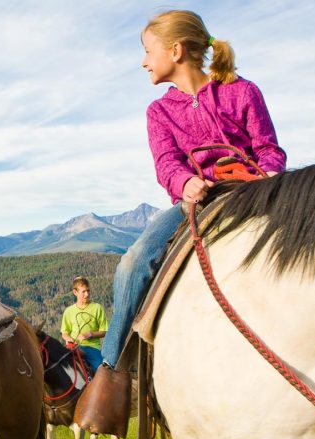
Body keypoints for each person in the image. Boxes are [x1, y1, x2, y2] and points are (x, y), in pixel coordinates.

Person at [99, 10, 286, 374]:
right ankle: (111, 371)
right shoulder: (159, 111)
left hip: (254, 192)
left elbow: (269, 150)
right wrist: (185, 182)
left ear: (175, 50)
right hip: (194, 203)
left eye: (148, 52)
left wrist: (269, 176)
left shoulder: (242, 91)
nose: (143, 62)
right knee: (134, 262)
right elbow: (166, 164)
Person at [60, 276, 108, 375]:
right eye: (83, 292)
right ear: (75, 292)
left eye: (88, 291)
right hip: (73, 347)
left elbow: (104, 332)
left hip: (92, 347)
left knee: (102, 373)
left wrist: (90, 334)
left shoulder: (97, 308)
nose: (87, 294)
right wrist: (69, 339)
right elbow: (64, 333)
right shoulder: (68, 311)